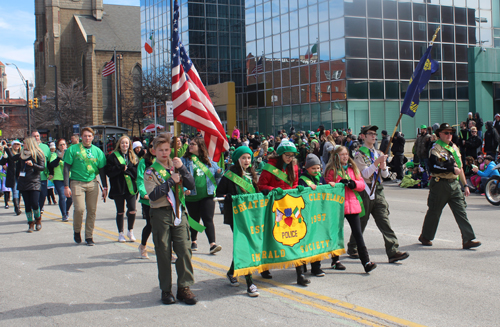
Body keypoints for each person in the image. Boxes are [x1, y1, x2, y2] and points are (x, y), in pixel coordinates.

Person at [144, 134, 197, 305]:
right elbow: (153, 195)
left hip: (179, 212)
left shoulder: (176, 166)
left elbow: (191, 185)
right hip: (160, 213)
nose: (165, 153)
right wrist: (170, 182)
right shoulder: (151, 171)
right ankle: (166, 290)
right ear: (154, 151)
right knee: (164, 251)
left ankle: (184, 288)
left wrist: (182, 169)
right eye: (161, 150)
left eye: (167, 149)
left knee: (184, 249)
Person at [347, 125, 409, 264]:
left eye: (375, 134)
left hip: (378, 189)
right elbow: (364, 174)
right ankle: (353, 246)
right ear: (363, 136)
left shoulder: (379, 153)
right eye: (370, 134)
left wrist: (383, 166)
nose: (373, 136)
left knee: (384, 220)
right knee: (361, 222)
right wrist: (376, 163)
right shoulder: (359, 154)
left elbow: (385, 175)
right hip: (365, 189)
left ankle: (393, 251)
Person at [418, 123, 482, 249]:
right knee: (434, 212)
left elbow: (460, 167)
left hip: (454, 185)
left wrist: (465, 185)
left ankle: (468, 239)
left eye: (451, 133)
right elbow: (435, 165)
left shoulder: (454, 148)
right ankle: (426, 236)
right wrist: (451, 168)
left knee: (461, 212)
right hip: (440, 184)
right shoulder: (436, 148)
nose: (449, 135)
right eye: (446, 133)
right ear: (439, 134)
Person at [258, 140, 307, 284]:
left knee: (295, 237)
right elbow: (261, 185)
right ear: (280, 154)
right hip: (274, 208)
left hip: (290, 206)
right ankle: (264, 267)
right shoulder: (270, 167)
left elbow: (295, 183)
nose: (290, 158)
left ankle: (300, 274)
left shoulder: (295, 167)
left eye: (292, 155)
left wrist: (298, 188)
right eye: (287, 155)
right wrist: (274, 190)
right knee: (270, 238)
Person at [216, 146, 260, 297]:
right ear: (237, 159)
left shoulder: (252, 173)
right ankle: (249, 283)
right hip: (237, 217)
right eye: (243, 158)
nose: (246, 161)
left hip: (251, 216)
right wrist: (228, 197)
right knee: (245, 246)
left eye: (249, 158)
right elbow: (219, 192)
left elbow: (257, 192)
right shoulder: (229, 175)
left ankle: (231, 272)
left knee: (248, 245)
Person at [324, 147, 377, 273]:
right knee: (336, 233)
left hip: (352, 204)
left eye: (346, 154)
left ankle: (366, 262)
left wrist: (353, 184)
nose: (345, 157)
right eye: (342, 154)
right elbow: (328, 186)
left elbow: (361, 184)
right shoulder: (331, 170)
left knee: (358, 234)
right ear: (336, 156)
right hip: (337, 205)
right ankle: (335, 260)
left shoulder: (352, 168)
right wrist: (339, 183)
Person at [63, 127, 108, 246]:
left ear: (93, 137)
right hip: (77, 182)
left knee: (92, 210)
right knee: (79, 209)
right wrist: (66, 186)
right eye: (85, 136)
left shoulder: (98, 151)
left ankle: (89, 236)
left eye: (89, 136)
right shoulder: (73, 149)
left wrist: (105, 187)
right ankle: (77, 230)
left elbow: (102, 170)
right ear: (81, 137)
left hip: (92, 183)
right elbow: (66, 168)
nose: (87, 138)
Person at [181, 137, 223, 254]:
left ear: (200, 146)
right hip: (192, 196)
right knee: (194, 220)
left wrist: (220, 172)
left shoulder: (208, 160)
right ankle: (193, 240)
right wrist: (184, 189)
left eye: (193, 144)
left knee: (208, 219)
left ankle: (212, 244)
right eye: (190, 144)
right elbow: (179, 177)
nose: (190, 146)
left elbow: (217, 174)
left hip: (207, 195)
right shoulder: (184, 160)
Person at [297, 154, 333, 276]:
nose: (316, 171)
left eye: (318, 168)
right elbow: (300, 191)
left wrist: (331, 186)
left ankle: (316, 267)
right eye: (313, 168)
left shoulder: (320, 178)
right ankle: (302, 266)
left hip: (318, 214)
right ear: (307, 168)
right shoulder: (302, 179)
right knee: (305, 240)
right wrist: (307, 188)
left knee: (317, 240)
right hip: (307, 214)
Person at [106, 135, 139, 243]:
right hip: (118, 187)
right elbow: (109, 172)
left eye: (126, 143)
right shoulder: (113, 157)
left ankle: (130, 231)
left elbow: (136, 172)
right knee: (120, 211)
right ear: (119, 145)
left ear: (129, 144)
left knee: (132, 210)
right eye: (122, 143)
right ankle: (121, 233)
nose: (124, 145)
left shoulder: (133, 156)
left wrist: (128, 170)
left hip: (130, 188)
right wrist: (120, 168)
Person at [17, 137, 45, 232]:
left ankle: (38, 220)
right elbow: (17, 167)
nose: (23, 145)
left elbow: (42, 167)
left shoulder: (38, 154)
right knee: (27, 204)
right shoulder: (22, 154)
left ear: (29, 144)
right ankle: (30, 223)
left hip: (34, 181)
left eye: (24, 143)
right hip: (23, 182)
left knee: (34, 202)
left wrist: (32, 164)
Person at [136, 140, 155, 259]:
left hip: (162, 198)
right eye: (152, 146)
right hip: (148, 199)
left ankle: (163, 249)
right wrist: (144, 193)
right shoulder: (144, 162)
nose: (154, 148)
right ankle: (143, 245)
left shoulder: (163, 161)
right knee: (150, 224)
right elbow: (140, 179)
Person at [48, 138, 72, 222]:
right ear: (57, 146)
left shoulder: (69, 154)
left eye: (64, 144)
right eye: (60, 145)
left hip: (69, 178)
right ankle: (64, 214)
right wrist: (59, 157)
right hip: (58, 179)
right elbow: (52, 164)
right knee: (62, 196)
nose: (62, 146)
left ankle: (66, 210)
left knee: (70, 197)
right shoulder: (55, 155)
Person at [32, 131, 51, 216]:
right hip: (32, 176)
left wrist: (51, 172)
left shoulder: (45, 147)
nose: (36, 138)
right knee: (34, 195)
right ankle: (37, 210)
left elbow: (49, 161)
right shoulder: (28, 147)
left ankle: (41, 206)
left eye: (37, 136)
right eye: (34, 136)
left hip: (43, 175)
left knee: (43, 194)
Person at [1, 140, 22, 215]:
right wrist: (4, 156)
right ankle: (17, 208)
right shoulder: (9, 153)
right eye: (15, 144)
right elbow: (2, 162)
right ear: (12, 145)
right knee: (15, 190)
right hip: (12, 174)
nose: (16, 145)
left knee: (19, 191)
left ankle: (18, 206)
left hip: (20, 174)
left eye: (18, 144)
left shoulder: (21, 153)